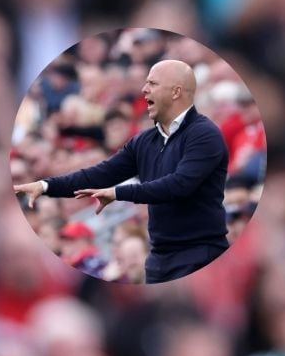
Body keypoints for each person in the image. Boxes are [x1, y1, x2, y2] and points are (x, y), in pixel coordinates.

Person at [13, 59, 229, 283]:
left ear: (176, 92)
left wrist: (119, 193)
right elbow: (98, 175)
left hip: (201, 256)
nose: (144, 89)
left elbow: (178, 185)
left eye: (153, 83)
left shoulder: (205, 135)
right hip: (160, 258)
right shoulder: (144, 141)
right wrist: (46, 186)